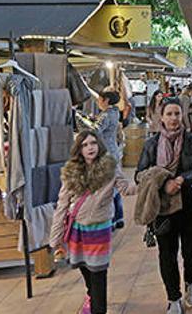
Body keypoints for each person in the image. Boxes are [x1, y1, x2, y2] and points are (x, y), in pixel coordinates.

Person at [50, 130, 137, 314]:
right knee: (84, 267)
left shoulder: (110, 168)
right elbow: (62, 204)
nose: (90, 147)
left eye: (93, 143)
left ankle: (98, 308)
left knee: (98, 273)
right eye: (85, 145)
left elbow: (126, 188)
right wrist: (55, 237)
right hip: (77, 229)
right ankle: (90, 294)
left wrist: (144, 181)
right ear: (79, 150)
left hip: (99, 229)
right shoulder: (71, 172)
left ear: (99, 145)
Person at [136, 98, 192, 314]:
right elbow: (140, 175)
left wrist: (181, 180)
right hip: (163, 206)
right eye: (169, 114)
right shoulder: (151, 144)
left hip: (190, 203)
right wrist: (162, 180)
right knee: (167, 252)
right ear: (161, 117)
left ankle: (190, 282)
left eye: (177, 114)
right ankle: (173, 298)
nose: (174, 118)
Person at [79, 87, 126, 229]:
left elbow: (94, 130)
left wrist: (80, 118)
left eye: (100, 100)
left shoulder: (106, 115)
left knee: (106, 190)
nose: (98, 102)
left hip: (105, 154)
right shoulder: (114, 112)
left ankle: (110, 222)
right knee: (115, 188)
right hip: (113, 152)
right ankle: (119, 218)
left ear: (106, 100)